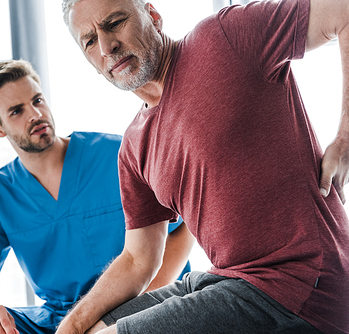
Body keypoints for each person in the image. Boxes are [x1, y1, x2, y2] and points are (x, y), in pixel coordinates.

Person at [56, 0, 349, 333]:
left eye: (115, 23)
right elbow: (139, 260)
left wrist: (346, 137)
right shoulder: (134, 148)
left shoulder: (226, 36)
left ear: (153, 16)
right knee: (92, 327)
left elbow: (343, 11)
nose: (108, 46)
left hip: (299, 286)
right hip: (225, 281)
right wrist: (72, 325)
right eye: (90, 42)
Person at [0, 59, 193, 334]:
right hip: (59, 320)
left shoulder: (116, 155)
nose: (35, 114)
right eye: (16, 111)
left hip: (138, 303)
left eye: (37, 100)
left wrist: (142, 301)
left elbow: (183, 230)